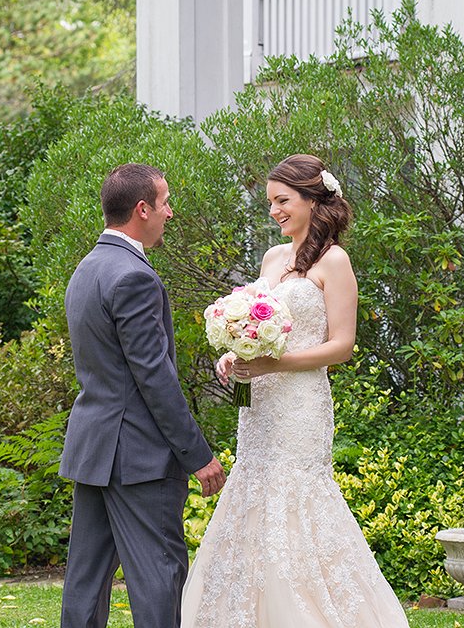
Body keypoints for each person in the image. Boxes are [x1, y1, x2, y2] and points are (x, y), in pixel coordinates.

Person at [181, 154, 409, 627]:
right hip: (260, 405)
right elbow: (260, 323)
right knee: (255, 491)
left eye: (282, 200)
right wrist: (235, 353)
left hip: (300, 404)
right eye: (270, 202)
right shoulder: (273, 258)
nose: (274, 211)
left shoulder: (335, 261)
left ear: (312, 199)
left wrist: (273, 362)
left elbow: (342, 346)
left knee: (297, 496)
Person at [59, 163, 226, 628]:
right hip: (138, 456)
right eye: (166, 202)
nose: (170, 213)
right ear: (141, 208)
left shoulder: (87, 268)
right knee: (159, 573)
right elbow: (154, 377)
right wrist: (196, 455)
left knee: (85, 579)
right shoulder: (134, 277)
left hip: (95, 448)